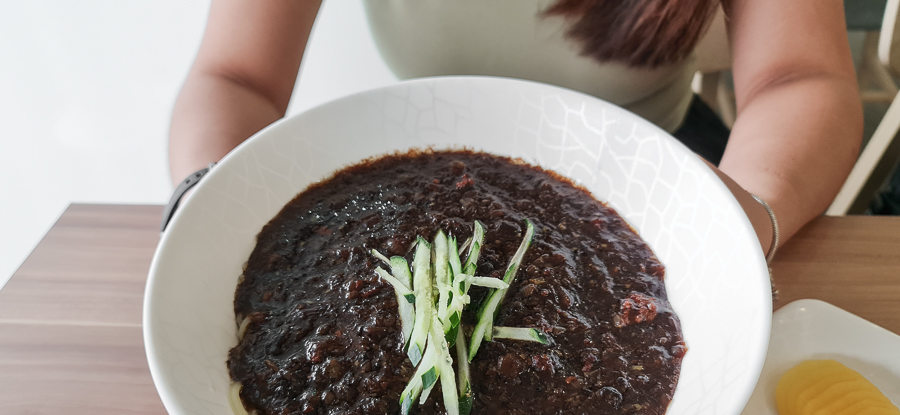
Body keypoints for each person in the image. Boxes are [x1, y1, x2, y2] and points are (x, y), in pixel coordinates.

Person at [169, 0, 863, 255]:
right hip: (418, 182)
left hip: (663, 182)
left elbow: (799, 75)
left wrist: (747, 217)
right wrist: (207, 205)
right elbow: (237, 77)